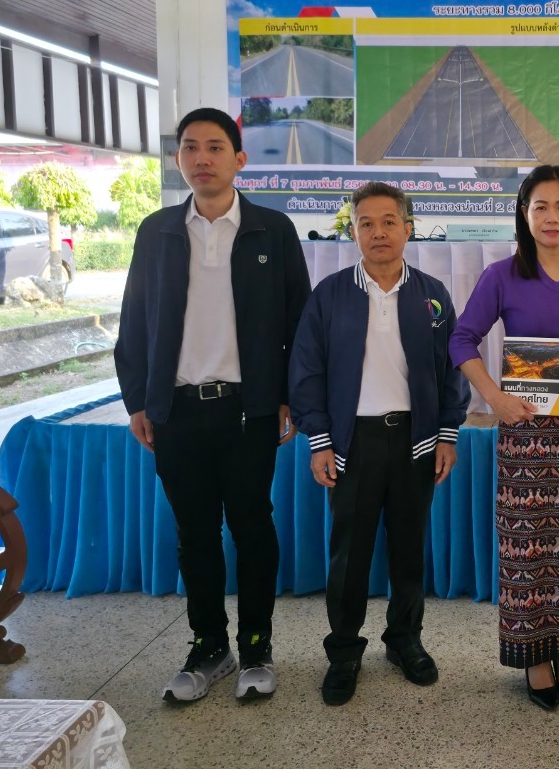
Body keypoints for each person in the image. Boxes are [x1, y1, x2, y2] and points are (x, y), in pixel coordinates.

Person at [115, 106, 311, 703]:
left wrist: (288, 397)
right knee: (194, 533)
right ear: (178, 159)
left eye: (215, 147)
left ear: (239, 159)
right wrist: (137, 399)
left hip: (249, 410)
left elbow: (299, 322)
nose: (202, 158)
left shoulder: (272, 230)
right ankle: (209, 647)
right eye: (191, 147)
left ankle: (256, 646)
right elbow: (134, 321)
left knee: (252, 527)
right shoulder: (157, 232)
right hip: (176, 411)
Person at [288, 182, 470, 706]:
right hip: (353, 443)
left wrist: (448, 433)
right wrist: (320, 441)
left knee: (409, 548)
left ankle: (404, 639)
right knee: (349, 553)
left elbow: (452, 367)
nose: (378, 232)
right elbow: (306, 370)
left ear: (408, 228)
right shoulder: (330, 294)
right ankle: (344, 650)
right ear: (354, 232)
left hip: (415, 440)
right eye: (366, 223)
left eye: (389, 221)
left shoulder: (432, 294)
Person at [450, 165, 559, 712]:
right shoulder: (502, 275)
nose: (552, 217)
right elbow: (461, 340)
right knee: (531, 550)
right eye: (540, 206)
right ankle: (534, 658)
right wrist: (494, 399)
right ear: (523, 214)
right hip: (526, 436)